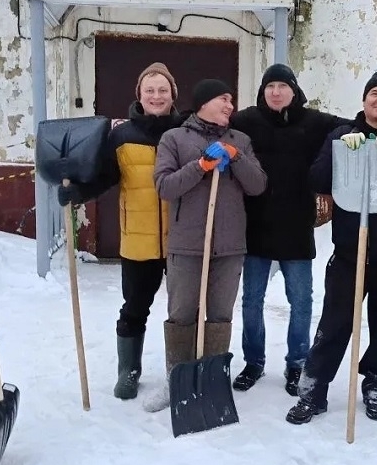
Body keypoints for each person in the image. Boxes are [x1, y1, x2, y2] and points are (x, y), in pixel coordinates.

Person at [285, 70, 377, 425]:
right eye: (375, 93)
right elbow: (317, 179)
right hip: (350, 252)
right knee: (335, 322)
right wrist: (344, 154)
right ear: (364, 100)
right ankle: (314, 389)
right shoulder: (341, 134)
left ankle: (376, 384)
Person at [59, 62, 185, 400]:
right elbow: (104, 176)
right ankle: (128, 371)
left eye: (163, 90)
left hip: (183, 239)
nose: (156, 96)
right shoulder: (121, 135)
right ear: (140, 95)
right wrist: (78, 193)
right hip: (139, 239)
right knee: (134, 308)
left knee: (184, 311)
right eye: (150, 90)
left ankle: (181, 369)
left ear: (173, 93)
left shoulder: (187, 131)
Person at [144, 79, 267, 411]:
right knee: (182, 313)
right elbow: (164, 187)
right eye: (223, 99)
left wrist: (236, 157)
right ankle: (177, 380)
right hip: (187, 244)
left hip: (229, 246)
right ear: (202, 102)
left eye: (231, 99)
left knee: (219, 315)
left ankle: (212, 381)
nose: (230, 105)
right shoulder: (174, 138)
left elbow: (258, 185)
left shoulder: (239, 140)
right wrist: (199, 166)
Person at [228, 63, 348, 395]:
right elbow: (211, 126)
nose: (276, 92)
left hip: (296, 227)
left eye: (283, 86)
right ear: (262, 91)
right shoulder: (246, 121)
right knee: (252, 300)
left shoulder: (313, 122)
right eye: (270, 86)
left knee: (302, 302)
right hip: (257, 227)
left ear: (294, 91)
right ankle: (253, 362)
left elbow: (351, 127)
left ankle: (297, 364)